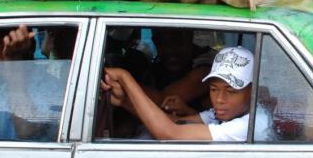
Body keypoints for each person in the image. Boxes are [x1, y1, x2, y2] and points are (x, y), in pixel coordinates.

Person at [101, 46, 270, 142]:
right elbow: (172, 122)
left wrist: (125, 78)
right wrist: (124, 101)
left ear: (252, 91)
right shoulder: (230, 111)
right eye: (213, 89)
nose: (219, 99)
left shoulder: (251, 125)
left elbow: (170, 133)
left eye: (231, 91)